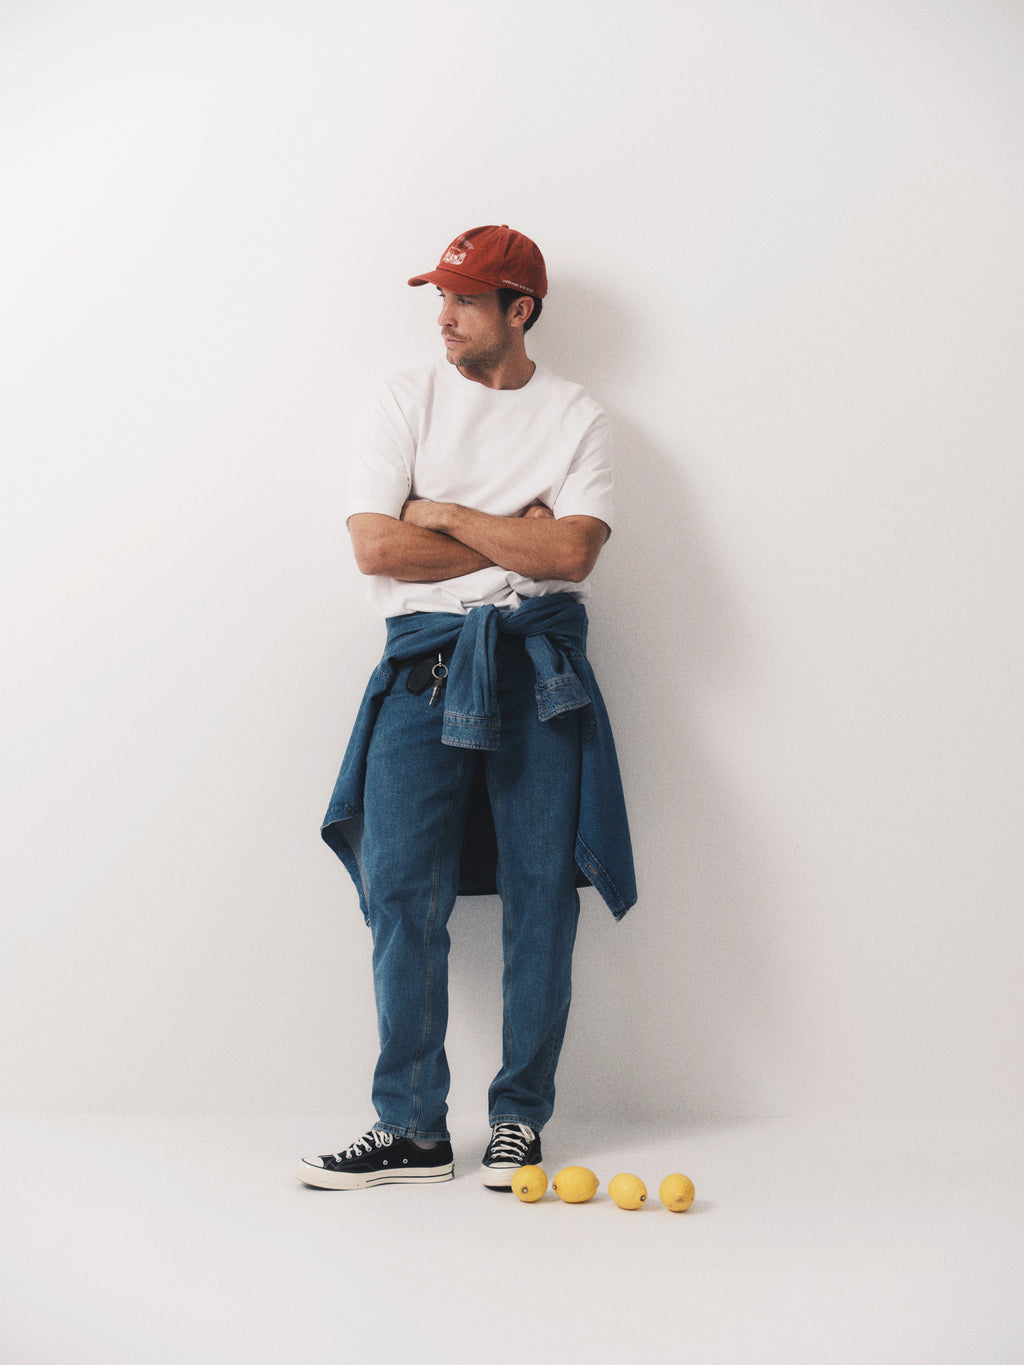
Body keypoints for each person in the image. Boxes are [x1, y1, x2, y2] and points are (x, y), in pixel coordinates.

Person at [295, 224, 636, 1192]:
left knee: (540, 900)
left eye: (466, 300)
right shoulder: (403, 398)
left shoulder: (577, 416)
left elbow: (571, 557)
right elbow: (375, 549)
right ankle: (409, 1129)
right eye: (439, 298)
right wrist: (509, 536)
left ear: (519, 311)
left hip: (540, 678)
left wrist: (437, 512)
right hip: (423, 669)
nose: (443, 316)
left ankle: (518, 1121)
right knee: (401, 894)